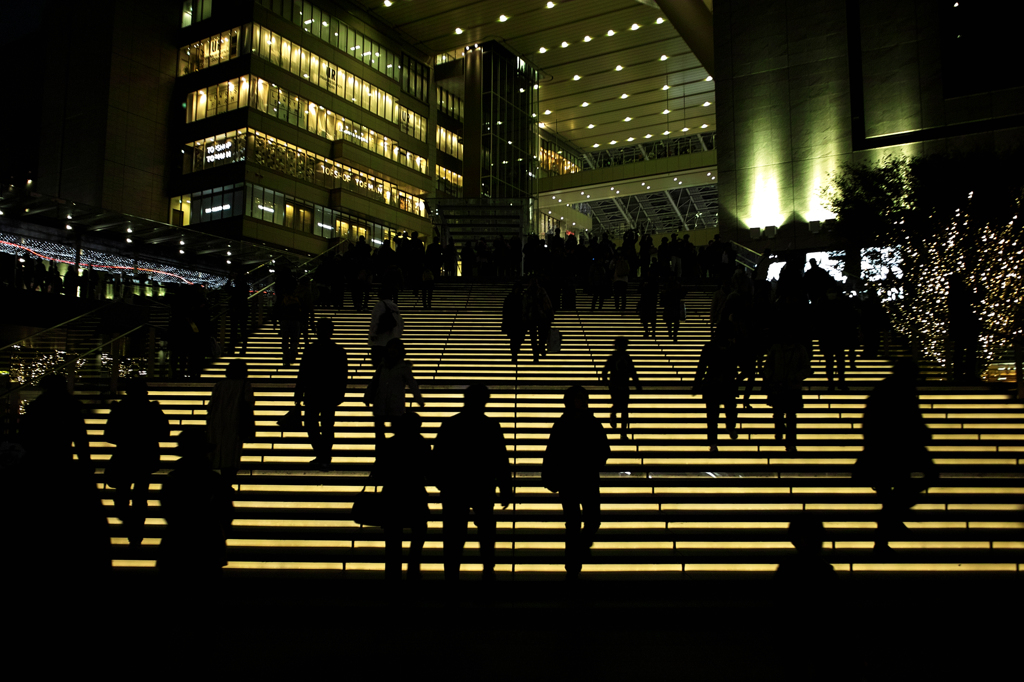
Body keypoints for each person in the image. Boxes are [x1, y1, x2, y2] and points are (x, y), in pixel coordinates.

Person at [433, 384, 513, 581]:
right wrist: (505, 488)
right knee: (486, 529)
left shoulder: (450, 424)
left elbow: (437, 458)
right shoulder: (491, 426)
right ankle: (487, 567)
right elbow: (500, 460)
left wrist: (441, 482)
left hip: (455, 486)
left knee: (453, 531)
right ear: (485, 401)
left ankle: (451, 572)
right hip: (482, 485)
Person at [856, 358, 937, 551]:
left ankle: (887, 530)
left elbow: (870, 420)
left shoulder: (885, 389)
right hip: (896, 450)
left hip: (886, 450)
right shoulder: (903, 390)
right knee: (924, 478)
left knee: (891, 496)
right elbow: (911, 417)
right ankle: (888, 528)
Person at [542, 385, 610, 578]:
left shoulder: (587, 422)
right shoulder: (569, 423)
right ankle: (573, 565)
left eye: (583, 398)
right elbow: (552, 451)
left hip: (582, 477)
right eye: (578, 398)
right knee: (575, 522)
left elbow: (604, 449)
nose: (581, 401)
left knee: (589, 521)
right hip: (572, 479)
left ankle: (574, 555)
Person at [158, 427, 235, 581]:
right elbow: (226, 512)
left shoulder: (172, 479)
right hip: (208, 542)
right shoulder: (215, 480)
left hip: (176, 544)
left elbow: (168, 511)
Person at [105, 377, 170, 546]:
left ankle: (127, 520)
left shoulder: (120, 408)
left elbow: (109, 434)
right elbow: (165, 432)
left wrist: (126, 438)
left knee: (123, 491)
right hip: (145, 456)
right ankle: (136, 529)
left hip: (125, 455)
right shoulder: (151, 409)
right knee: (140, 494)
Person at [374, 412, 429, 580]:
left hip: (393, 495)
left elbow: (379, 473)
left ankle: (392, 573)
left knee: (392, 538)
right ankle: (413, 570)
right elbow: (428, 470)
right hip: (415, 494)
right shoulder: (422, 444)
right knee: (419, 532)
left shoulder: (389, 444)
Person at [295, 319, 348, 470]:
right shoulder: (337, 351)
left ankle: (322, 454)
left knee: (318, 426)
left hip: (318, 393)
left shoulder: (312, 350)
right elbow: (342, 375)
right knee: (325, 426)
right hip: (325, 394)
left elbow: (303, 373)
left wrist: (299, 393)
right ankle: (324, 455)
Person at [364, 338, 424, 443]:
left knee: (397, 433)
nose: (392, 351)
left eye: (395, 348)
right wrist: (368, 396)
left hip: (395, 405)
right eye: (390, 348)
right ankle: (381, 455)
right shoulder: (382, 366)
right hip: (381, 404)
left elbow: (412, 384)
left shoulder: (404, 368)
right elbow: (374, 382)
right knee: (380, 435)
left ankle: (391, 455)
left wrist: (419, 399)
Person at [207, 359, 255, 482]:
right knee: (232, 454)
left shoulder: (219, 385)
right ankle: (228, 480)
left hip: (217, 423)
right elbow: (248, 404)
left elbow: (211, 405)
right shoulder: (244, 385)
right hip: (236, 423)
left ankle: (219, 480)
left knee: (219, 452)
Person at [762, 334, 812, 453]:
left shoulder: (778, 348)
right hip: (788, 386)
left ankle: (785, 437)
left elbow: (768, 365)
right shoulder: (798, 349)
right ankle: (789, 442)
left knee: (784, 415)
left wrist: (771, 376)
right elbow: (807, 368)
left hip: (786, 386)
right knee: (788, 416)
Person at [693, 326, 739, 451]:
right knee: (723, 411)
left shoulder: (710, 347)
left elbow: (702, 367)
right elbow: (702, 366)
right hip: (722, 385)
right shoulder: (732, 348)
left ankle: (714, 441)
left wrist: (697, 384)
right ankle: (727, 430)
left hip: (715, 385)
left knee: (714, 415)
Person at [601, 337, 643, 440]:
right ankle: (622, 432)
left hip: (618, 385)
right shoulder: (622, 358)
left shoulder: (616, 358)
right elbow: (632, 373)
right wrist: (637, 385)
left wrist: (605, 380)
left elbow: (605, 371)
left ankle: (619, 424)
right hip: (619, 385)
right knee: (622, 407)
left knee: (622, 407)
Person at [368, 287, 403, 366]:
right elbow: (400, 322)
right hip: (392, 340)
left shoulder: (379, 305)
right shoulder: (394, 306)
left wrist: (373, 334)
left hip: (380, 340)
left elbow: (375, 320)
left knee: (378, 365)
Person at [501, 282, 526, 363]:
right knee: (515, 339)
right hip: (514, 322)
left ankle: (514, 353)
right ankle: (514, 354)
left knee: (517, 340)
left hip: (517, 322)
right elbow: (505, 311)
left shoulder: (517, 298)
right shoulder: (515, 298)